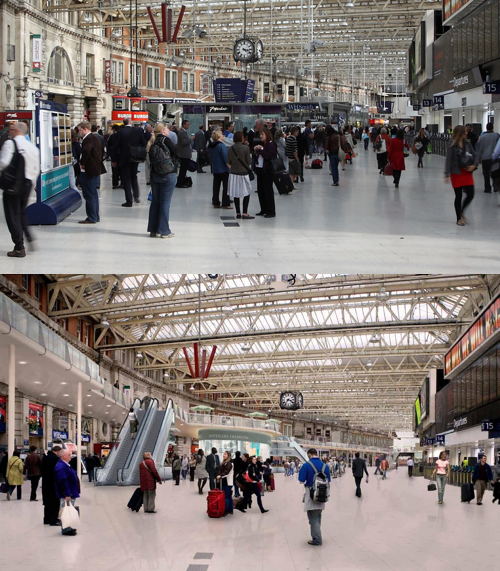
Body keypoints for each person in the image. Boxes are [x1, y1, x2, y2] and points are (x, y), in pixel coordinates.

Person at [0, 121, 40, 257]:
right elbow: (36, 169)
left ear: (16, 131)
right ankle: (28, 236)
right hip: (27, 184)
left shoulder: (10, 144)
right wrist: (32, 185)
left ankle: (19, 247)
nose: (9, 131)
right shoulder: (32, 147)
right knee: (21, 212)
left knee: (12, 215)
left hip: (13, 185)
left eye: (11, 129)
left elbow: (3, 162)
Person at [147, 122, 178, 239]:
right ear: (163, 131)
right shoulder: (166, 140)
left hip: (155, 175)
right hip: (168, 174)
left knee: (155, 202)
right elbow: (177, 152)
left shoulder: (152, 142)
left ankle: (153, 230)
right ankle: (164, 231)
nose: (168, 131)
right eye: (167, 129)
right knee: (165, 202)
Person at [444, 125, 477, 226]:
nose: (467, 133)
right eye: (465, 132)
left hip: (467, 172)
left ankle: (461, 211)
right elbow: (448, 159)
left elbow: (475, 155)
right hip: (456, 173)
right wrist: (447, 174)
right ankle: (459, 218)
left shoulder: (467, 143)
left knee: (471, 194)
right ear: (460, 133)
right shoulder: (452, 144)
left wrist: (474, 165)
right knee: (458, 195)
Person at [298, 448, 331, 546]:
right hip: (322, 494)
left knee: (313, 518)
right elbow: (328, 480)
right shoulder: (325, 466)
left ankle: (317, 539)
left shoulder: (306, 465)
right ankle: (316, 535)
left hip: (311, 494)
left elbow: (301, 481)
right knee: (317, 516)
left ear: (309, 454)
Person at [111, 118, 146, 207]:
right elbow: (144, 143)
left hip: (124, 158)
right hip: (135, 157)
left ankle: (129, 201)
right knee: (134, 176)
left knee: (126, 179)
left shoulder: (120, 132)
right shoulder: (138, 131)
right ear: (131, 123)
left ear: (124, 123)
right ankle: (136, 196)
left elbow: (115, 147)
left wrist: (114, 160)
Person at [76, 121, 105, 224]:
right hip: (94, 169)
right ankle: (95, 216)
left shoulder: (88, 139)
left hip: (89, 170)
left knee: (89, 194)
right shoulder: (95, 137)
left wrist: (82, 163)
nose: (78, 132)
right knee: (93, 194)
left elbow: (86, 152)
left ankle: (92, 217)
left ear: (85, 129)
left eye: (79, 130)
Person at [227, 131, 254, 220]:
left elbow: (228, 162)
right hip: (243, 173)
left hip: (234, 174)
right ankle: (245, 213)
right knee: (247, 192)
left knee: (236, 193)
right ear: (241, 138)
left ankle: (238, 213)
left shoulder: (231, 148)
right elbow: (249, 161)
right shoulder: (245, 148)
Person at [54, 447, 80, 535]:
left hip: (71, 492)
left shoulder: (65, 465)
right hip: (68, 494)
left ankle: (69, 527)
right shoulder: (61, 467)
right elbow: (63, 481)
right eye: (69, 455)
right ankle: (66, 529)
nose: (71, 457)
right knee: (66, 510)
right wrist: (67, 494)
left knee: (68, 509)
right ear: (63, 456)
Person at [253, 127, 277, 218]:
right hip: (260, 170)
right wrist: (256, 150)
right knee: (261, 191)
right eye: (260, 135)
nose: (260, 136)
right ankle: (263, 209)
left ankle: (271, 211)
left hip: (267, 171)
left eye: (262, 134)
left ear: (267, 135)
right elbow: (258, 157)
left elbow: (268, 156)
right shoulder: (263, 144)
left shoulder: (271, 144)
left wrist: (261, 149)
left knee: (268, 191)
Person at [207, 129, 230, 209]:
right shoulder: (221, 146)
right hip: (223, 169)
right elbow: (225, 158)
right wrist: (229, 165)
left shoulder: (211, 146)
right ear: (219, 136)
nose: (224, 136)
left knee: (216, 186)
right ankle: (225, 203)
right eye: (222, 135)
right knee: (226, 186)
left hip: (215, 168)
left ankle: (215, 202)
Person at [474, 123, 499, 193]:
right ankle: (495, 186)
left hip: (485, 159)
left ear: (486, 128)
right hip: (495, 159)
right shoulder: (497, 135)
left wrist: (476, 161)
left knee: (486, 174)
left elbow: (478, 149)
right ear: (493, 127)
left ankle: (487, 188)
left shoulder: (482, 137)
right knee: (495, 173)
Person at [41, 445, 62, 525]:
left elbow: (42, 469)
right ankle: (53, 520)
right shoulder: (56, 459)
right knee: (55, 502)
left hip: (45, 483)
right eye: (60, 452)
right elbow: (57, 472)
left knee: (47, 502)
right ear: (57, 451)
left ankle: (46, 519)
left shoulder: (45, 457)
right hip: (53, 483)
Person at [175, 119, 193, 188]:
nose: (188, 126)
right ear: (184, 124)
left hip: (184, 154)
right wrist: (191, 139)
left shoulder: (184, 132)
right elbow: (184, 142)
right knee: (183, 170)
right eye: (187, 124)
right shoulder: (182, 132)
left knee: (183, 169)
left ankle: (181, 182)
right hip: (184, 154)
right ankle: (180, 183)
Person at [106, 124, 121, 189]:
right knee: (122, 170)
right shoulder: (122, 136)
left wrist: (109, 155)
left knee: (114, 170)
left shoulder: (112, 136)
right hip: (121, 156)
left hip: (114, 156)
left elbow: (108, 146)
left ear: (114, 129)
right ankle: (122, 183)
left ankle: (115, 184)